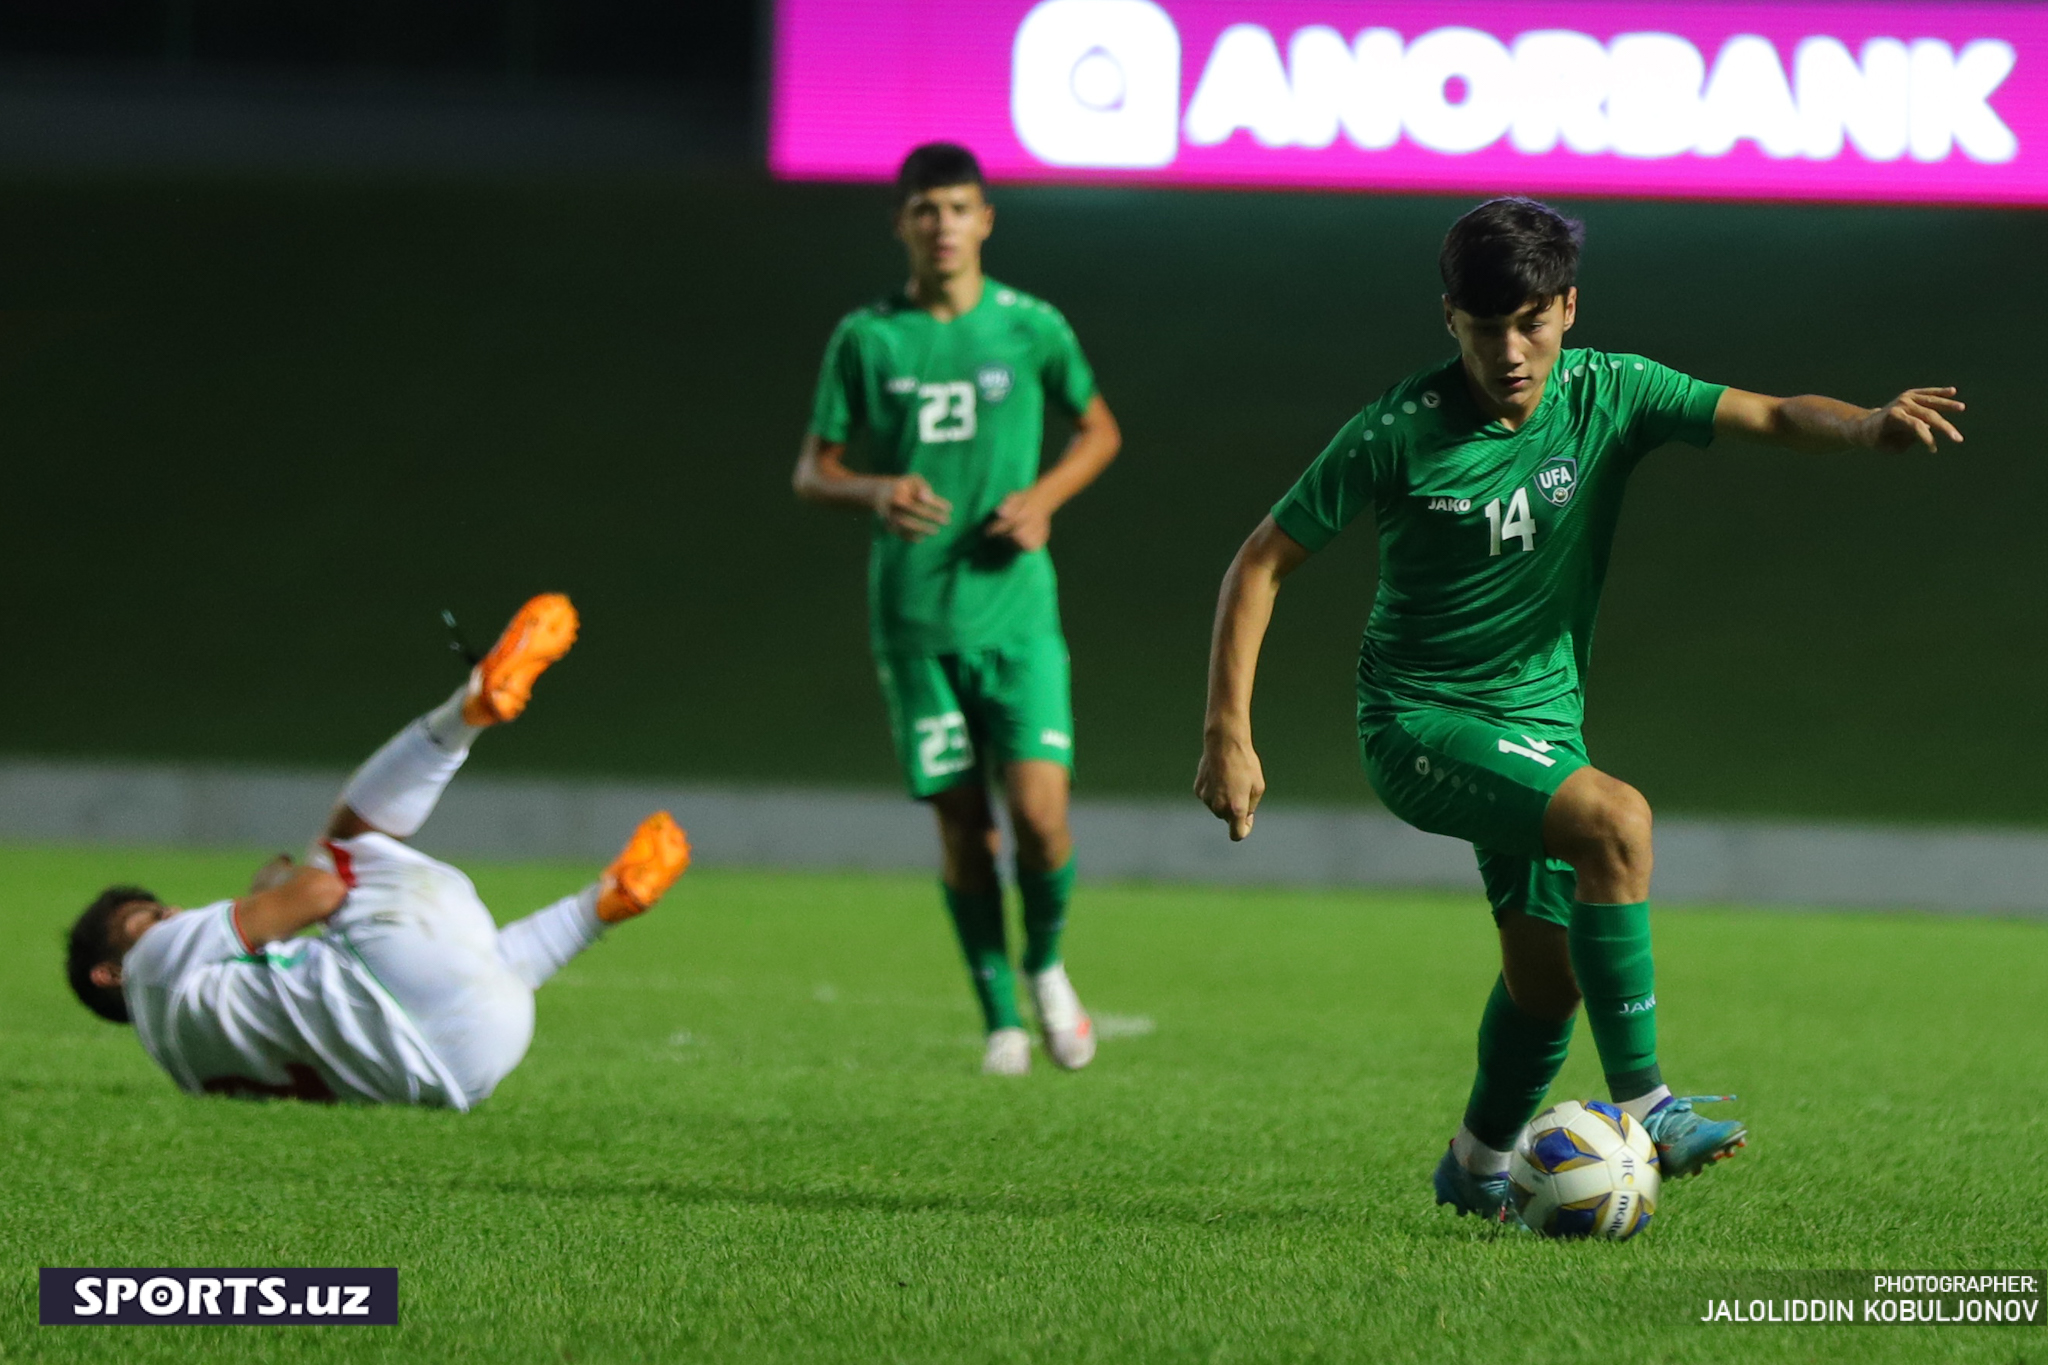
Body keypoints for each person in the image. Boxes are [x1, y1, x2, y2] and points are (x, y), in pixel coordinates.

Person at [1194, 198, 1965, 1223]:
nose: (1507, 351)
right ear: (1448, 320)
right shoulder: (1397, 430)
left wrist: (1866, 425)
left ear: (1565, 306)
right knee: (1616, 819)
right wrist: (1226, 734)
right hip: (1419, 724)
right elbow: (1259, 564)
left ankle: (1471, 1167)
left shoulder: (1611, 391)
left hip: (1537, 727)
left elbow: (1774, 413)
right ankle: (1646, 1099)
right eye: (1482, 327)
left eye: (1528, 321)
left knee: (1549, 979)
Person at [64, 593, 690, 1109]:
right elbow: (320, 892)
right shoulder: (153, 966)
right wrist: (270, 890)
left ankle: (598, 908)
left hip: (468, 1068)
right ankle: (468, 709)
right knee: (342, 844)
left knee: (493, 968)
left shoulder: (188, 1071)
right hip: (406, 985)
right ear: (111, 972)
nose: (169, 915)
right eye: (141, 920)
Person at [792, 142, 1123, 1076]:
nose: (943, 225)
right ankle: (999, 1020)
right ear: (901, 222)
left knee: (1041, 817)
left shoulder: (1031, 326)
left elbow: (1099, 429)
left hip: (1017, 617)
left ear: (986, 220)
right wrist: (872, 490)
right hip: (915, 624)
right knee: (964, 829)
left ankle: (1047, 965)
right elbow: (812, 468)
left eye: (959, 208)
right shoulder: (869, 337)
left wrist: (1046, 496)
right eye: (925, 210)